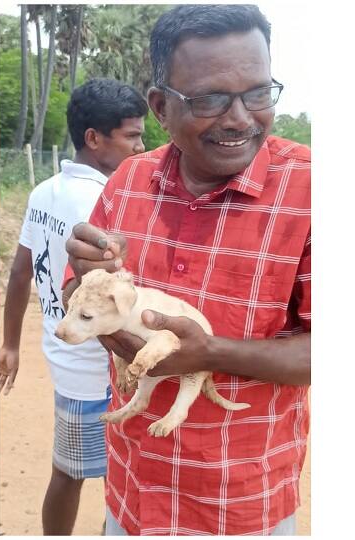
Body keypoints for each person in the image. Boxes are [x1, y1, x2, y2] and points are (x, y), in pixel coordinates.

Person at [63, 5, 310, 536]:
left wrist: (208, 354)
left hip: (241, 503)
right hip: (133, 488)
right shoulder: (127, 180)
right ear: (160, 107)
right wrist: (82, 275)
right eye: (210, 99)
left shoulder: (314, 192)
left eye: (259, 94)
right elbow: (77, 295)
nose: (241, 118)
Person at [0, 79, 147, 535]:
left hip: (64, 355)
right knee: (97, 475)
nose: (142, 147)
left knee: (74, 470)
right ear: (93, 138)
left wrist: (11, 344)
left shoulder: (46, 191)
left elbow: (21, 271)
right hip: (93, 368)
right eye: (132, 136)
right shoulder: (105, 201)